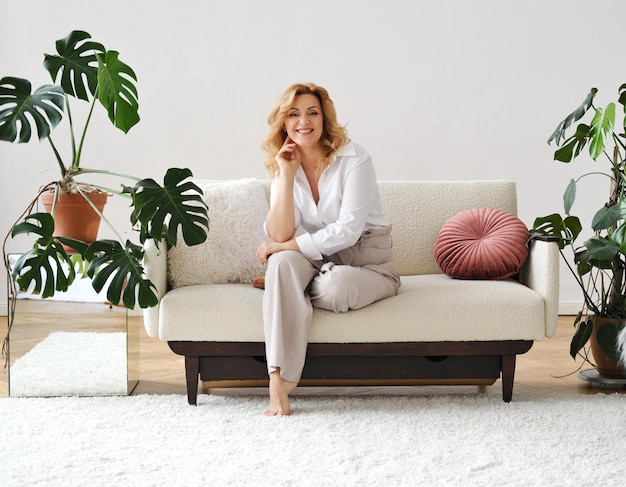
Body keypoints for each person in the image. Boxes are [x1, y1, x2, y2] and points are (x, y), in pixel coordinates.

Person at [256, 83, 401, 416]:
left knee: (335, 286)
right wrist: (288, 174)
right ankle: (279, 378)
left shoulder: (355, 159)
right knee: (281, 266)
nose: (303, 121)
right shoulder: (285, 164)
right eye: (293, 114)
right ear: (283, 122)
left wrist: (286, 246)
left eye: (312, 112)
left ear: (324, 118)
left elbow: (348, 230)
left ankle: (286, 288)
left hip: (367, 263)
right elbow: (279, 231)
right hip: (315, 258)